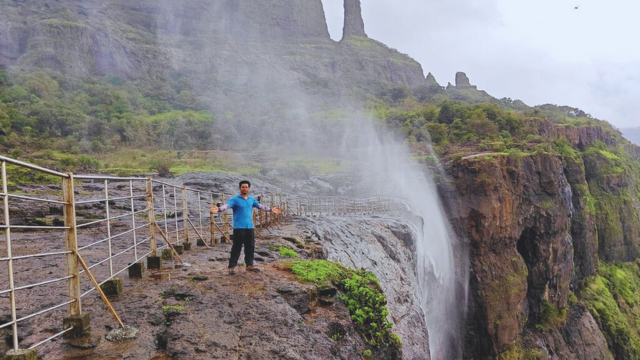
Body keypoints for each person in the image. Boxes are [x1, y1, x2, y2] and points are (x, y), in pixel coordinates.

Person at [211, 180, 281, 274]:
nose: (245, 188)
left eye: (246, 187)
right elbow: (227, 206)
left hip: (250, 227)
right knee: (237, 247)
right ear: (239, 188)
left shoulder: (251, 199)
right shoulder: (235, 199)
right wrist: (219, 209)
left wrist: (271, 209)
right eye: (243, 187)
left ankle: (249, 265)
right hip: (239, 228)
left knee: (250, 247)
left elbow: (260, 206)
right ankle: (231, 267)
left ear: (249, 188)